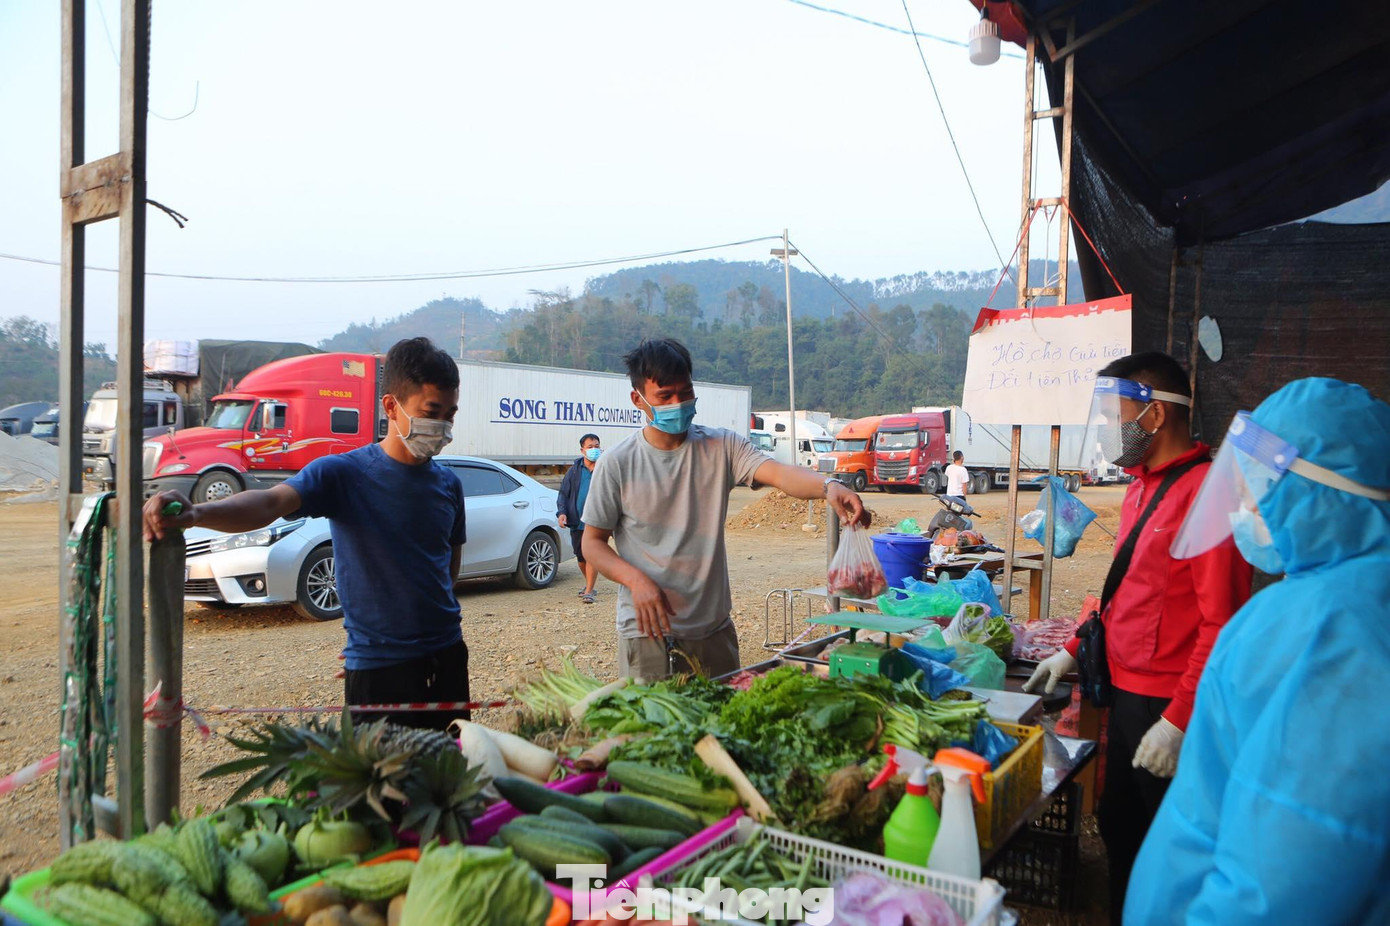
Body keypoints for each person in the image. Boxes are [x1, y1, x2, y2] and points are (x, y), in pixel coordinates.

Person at [1125, 378, 1390, 926]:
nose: (1241, 506)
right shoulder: (1355, 600)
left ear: (1314, 492)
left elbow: (1284, 876)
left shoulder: (1325, 632)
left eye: (1258, 487)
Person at [1022, 351, 1253, 925]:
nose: (1107, 428)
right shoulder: (1139, 486)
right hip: (1123, 695)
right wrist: (1072, 650)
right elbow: (1126, 589)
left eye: (1113, 413)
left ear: (1153, 417)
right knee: (1122, 826)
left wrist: (1178, 721)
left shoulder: (1209, 493)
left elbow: (1222, 622)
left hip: (1169, 702)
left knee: (1167, 844)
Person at [143, 337, 469, 731]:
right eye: (432, 412)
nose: (442, 427)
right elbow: (268, 503)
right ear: (391, 407)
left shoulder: (449, 485)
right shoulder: (344, 474)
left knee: (449, 778)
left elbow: (445, 573)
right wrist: (197, 512)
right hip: (380, 669)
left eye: (450, 414)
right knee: (386, 789)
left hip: (448, 657)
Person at [581, 338, 870, 680]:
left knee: (723, 728)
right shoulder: (617, 463)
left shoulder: (722, 447)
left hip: (713, 630)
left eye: (685, 392)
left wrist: (828, 487)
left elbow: (778, 473)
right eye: (665, 396)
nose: (679, 403)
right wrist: (635, 580)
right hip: (648, 632)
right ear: (638, 400)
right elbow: (592, 543)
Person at [558, 433, 602, 603]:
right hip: (577, 520)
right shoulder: (574, 471)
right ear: (582, 450)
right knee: (581, 557)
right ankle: (589, 583)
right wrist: (562, 513)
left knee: (592, 554)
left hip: (597, 520)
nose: (594, 450)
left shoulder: (604, 467)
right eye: (590, 447)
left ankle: (590, 590)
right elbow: (564, 493)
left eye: (597, 446)